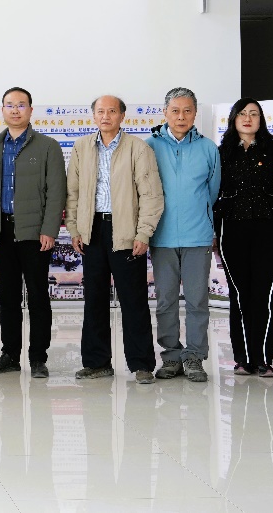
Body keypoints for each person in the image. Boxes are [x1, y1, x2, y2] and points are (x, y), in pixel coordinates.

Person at [66, 95, 164, 384]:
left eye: (112, 111)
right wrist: (75, 229)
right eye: (100, 111)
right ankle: (97, 363)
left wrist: (143, 232)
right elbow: (73, 193)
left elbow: (151, 195)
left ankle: (141, 364)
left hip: (126, 230)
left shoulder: (138, 148)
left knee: (134, 300)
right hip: (92, 230)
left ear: (122, 116)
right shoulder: (82, 147)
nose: (106, 116)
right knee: (94, 299)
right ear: (93, 116)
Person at [0, 87, 66, 379]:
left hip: (35, 234)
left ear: (30, 109)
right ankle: (10, 355)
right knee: (8, 297)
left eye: (21, 105)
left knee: (38, 296)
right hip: (1, 232)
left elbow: (56, 193)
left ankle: (38, 358)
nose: (15, 110)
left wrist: (49, 229)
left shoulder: (48, 146)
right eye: (9, 105)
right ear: (2, 110)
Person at [214, 100, 273, 378]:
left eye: (253, 114)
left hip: (267, 228)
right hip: (231, 229)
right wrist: (212, 231)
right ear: (233, 119)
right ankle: (242, 359)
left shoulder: (272, 150)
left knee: (262, 294)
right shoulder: (222, 152)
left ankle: (263, 359)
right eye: (242, 114)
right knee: (239, 295)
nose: (247, 118)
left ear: (260, 119)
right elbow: (213, 194)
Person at [146, 87, 221, 383]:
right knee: (165, 300)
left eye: (187, 111)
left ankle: (194, 357)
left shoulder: (208, 148)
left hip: (197, 236)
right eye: (175, 110)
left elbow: (212, 191)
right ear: (165, 112)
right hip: (161, 236)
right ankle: (171, 356)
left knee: (197, 300)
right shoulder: (149, 146)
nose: (181, 116)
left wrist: (201, 218)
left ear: (195, 114)